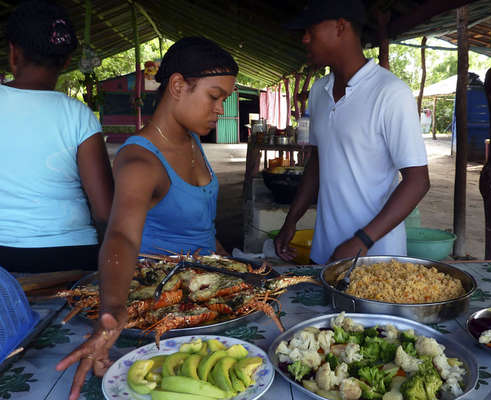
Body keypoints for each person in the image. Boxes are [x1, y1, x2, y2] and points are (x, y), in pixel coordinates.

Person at [56, 36, 238, 400]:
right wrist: (112, 309)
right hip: (163, 309)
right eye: (214, 96)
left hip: (207, 297)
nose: (220, 109)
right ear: (177, 86)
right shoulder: (140, 161)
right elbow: (121, 235)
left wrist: (231, 265)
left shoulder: (191, 139)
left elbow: (198, 224)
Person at [274, 0, 430, 264]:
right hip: (326, 251)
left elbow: (418, 181)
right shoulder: (318, 92)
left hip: (378, 257)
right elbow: (318, 162)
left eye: (311, 29)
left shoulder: (390, 93)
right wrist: (291, 221)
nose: (304, 39)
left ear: (340, 27)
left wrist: (362, 241)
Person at [0, 0, 113, 272]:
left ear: (13, 54)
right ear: (66, 61)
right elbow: (105, 210)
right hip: (70, 257)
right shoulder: (79, 115)